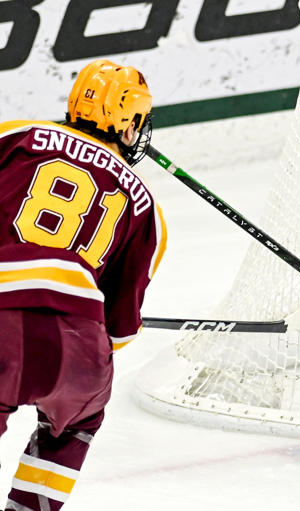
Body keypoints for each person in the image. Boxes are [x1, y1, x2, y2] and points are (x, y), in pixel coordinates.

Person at [0, 59, 166, 509]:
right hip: (80, 349)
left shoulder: (15, 136)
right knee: (76, 423)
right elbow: (122, 331)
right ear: (129, 123)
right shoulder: (144, 204)